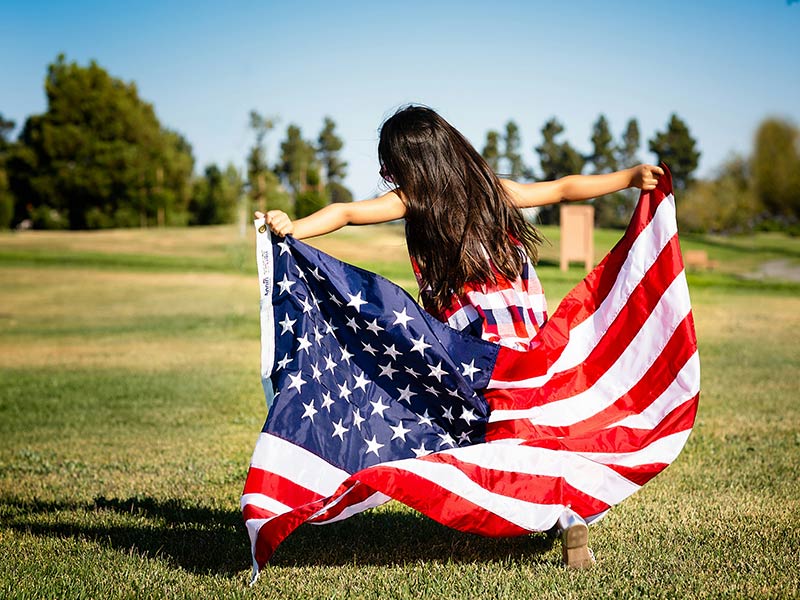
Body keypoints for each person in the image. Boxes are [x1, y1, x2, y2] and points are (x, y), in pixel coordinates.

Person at [257, 104, 663, 568]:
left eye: (389, 162)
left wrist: (294, 226)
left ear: (411, 162)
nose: (386, 173)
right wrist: (628, 177)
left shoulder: (414, 201)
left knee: (499, 436)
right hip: (528, 337)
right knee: (537, 431)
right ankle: (567, 513)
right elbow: (566, 188)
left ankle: (539, 506)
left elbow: (347, 212)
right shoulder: (495, 191)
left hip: (473, 347)